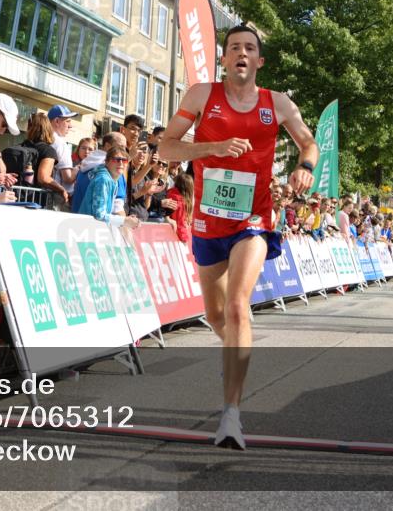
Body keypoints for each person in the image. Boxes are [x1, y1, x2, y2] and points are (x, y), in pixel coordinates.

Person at [159, 24, 318, 450]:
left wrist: (305, 167)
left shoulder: (277, 103)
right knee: (216, 317)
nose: (242, 53)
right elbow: (166, 149)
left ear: (259, 61)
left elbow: (308, 142)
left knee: (236, 306)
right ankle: (234, 351)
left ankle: (231, 416)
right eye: (234, 48)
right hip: (209, 223)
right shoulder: (200, 95)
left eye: (250, 48)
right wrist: (207, 150)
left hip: (254, 219)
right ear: (224, 60)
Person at [78, 146, 139, 228]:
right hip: (85, 228)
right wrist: (124, 220)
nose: (121, 163)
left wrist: (126, 219)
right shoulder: (103, 179)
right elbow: (99, 215)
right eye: (116, 159)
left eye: (124, 160)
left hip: (92, 228)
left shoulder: (112, 179)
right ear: (106, 162)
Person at [72, 131, 128, 214]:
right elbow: (117, 208)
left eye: (125, 148)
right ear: (107, 146)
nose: (124, 151)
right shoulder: (113, 169)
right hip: (97, 224)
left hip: (75, 219)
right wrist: (125, 223)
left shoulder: (85, 163)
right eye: (121, 147)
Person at [22, 112, 67, 207]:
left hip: (15, 198)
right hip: (35, 203)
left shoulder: (21, 146)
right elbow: (43, 178)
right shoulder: (48, 151)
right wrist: (61, 189)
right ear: (48, 129)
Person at [48, 105, 79, 209]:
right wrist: (78, 168)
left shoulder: (45, 138)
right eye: (67, 121)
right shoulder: (60, 144)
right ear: (57, 121)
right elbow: (68, 178)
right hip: (57, 198)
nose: (70, 126)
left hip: (45, 194)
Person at [166, 172, 195, 244]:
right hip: (172, 234)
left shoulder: (168, 193)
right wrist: (184, 238)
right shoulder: (180, 201)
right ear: (189, 188)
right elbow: (180, 221)